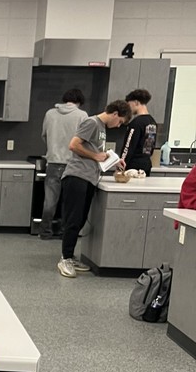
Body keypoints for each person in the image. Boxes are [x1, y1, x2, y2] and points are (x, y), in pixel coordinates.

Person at [57, 99, 131, 278]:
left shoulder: (101, 127)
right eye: (120, 121)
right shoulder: (91, 122)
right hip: (77, 176)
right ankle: (65, 259)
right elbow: (74, 145)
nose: (118, 125)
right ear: (115, 113)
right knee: (73, 221)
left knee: (80, 220)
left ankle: (70, 256)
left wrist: (112, 161)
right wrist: (97, 155)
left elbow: (96, 154)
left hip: (88, 178)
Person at [39, 88, 87, 239]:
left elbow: (44, 135)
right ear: (79, 102)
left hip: (53, 162)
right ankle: (64, 232)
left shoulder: (50, 114)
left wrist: (53, 149)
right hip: (72, 164)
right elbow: (84, 140)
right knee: (69, 202)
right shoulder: (82, 115)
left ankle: (45, 232)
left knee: (50, 200)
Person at [118, 88, 157, 175]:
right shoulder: (152, 122)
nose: (129, 108)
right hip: (146, 165)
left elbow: (128, 146)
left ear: (136, 102)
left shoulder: (136, 123)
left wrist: (121, 163)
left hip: (133, 167)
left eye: (129, 104)